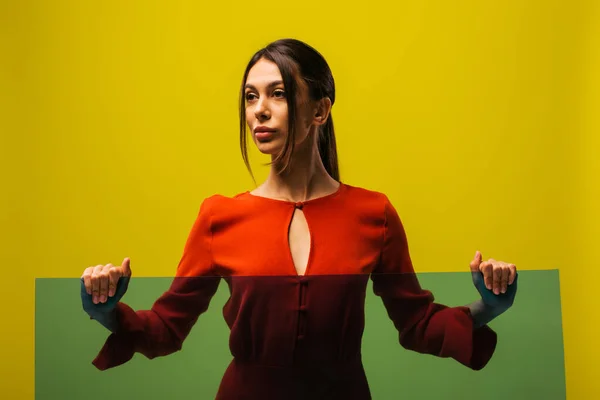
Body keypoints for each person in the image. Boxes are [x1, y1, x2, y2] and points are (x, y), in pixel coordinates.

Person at [80, 38, 518, 399]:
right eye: (251, 96)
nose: (259, 110)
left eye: (279, 93)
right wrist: (104, 309)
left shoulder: (374, 214)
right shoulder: (219, 216)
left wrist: (489, 305)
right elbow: (164, 329)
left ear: (319, 111)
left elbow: (418, 324)